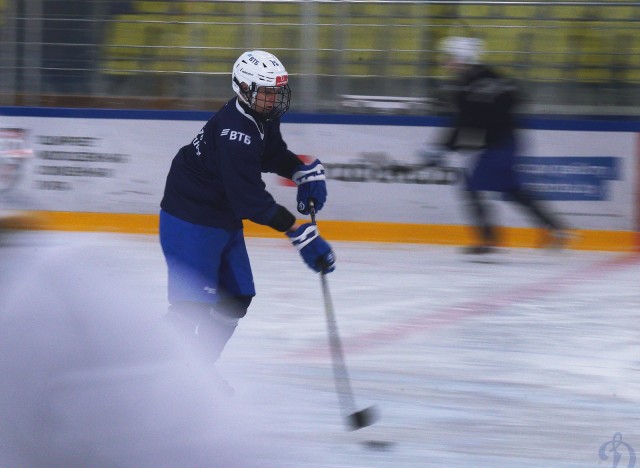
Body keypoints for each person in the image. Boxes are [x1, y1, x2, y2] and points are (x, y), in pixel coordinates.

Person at [159, 50, 336, 370]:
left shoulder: (261, 115)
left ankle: (196, 371)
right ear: (242, 88)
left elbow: (270, 153)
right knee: (192, 305)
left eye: (277, 91)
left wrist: (300, 170)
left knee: (237, 298)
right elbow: (249, 200)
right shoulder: (234, 133)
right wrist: (298, 232)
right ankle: (157, 369)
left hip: (221, 214)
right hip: (190, 216)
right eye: (266, 92)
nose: (274, 99)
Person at [424, 36, 569, 254]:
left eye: (449, 57)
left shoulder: (465, 86)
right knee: (512, 190)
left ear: (462, 57)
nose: (445, 62)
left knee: (472, 188)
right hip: (508, 139)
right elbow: (517, 98)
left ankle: (489, 239)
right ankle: (556, 229)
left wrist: (440, 148)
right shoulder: (491, 76)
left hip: (499, 144)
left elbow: (463, 122)